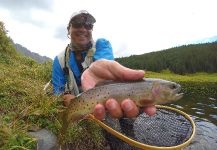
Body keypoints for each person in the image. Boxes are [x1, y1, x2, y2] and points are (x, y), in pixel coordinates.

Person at [52, 10, 156, 121]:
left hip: (104, 105)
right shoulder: (59, 60)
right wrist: (68, 99)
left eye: (88, 25)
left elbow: (105, 64)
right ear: (68, 29)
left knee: (120, 115)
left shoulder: (102, 45)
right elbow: (58, 91)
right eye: (77, 24)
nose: (83, 29)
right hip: (78, 109)